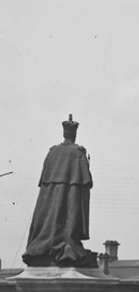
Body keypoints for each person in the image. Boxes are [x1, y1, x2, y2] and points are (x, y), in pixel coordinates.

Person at [22, 114, 97, 268]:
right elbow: (86, 181)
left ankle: (47, 243)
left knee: (50, 214)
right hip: (71, 193)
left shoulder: (52, 152)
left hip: (50, 195)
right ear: (74, 135)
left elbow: (43, 183)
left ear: (64, 134)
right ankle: (64, 243)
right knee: (69, 215)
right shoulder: (78, 152)